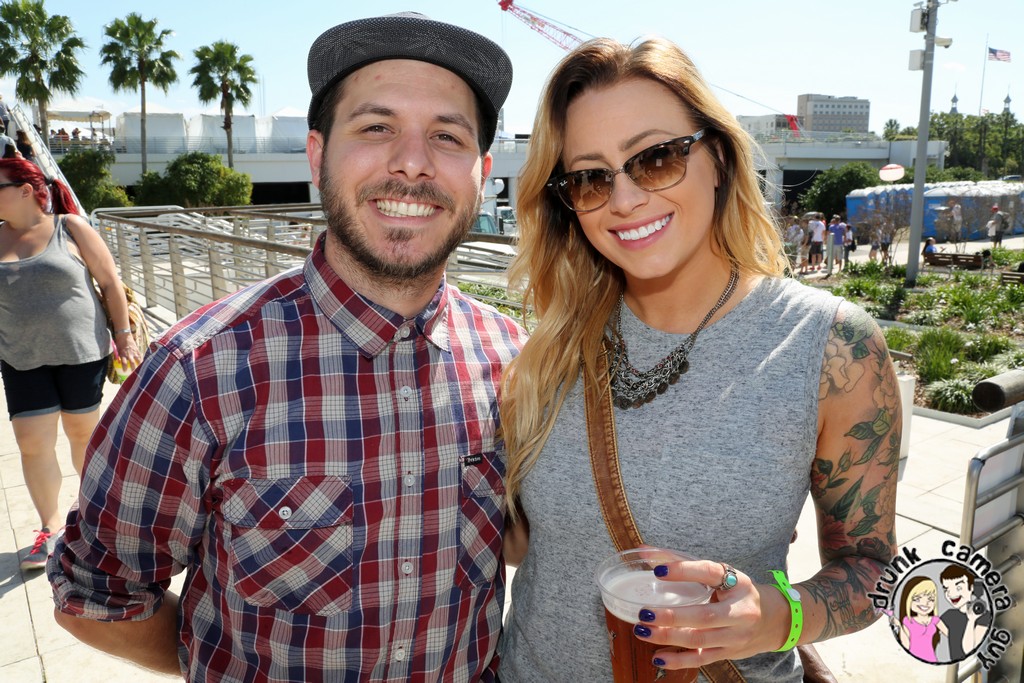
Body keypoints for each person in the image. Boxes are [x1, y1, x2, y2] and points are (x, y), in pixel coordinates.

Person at [48, 12, 525, 681]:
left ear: (482, 172)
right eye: (377, 127)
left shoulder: (513, 359)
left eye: (447, 136)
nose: (413, 161)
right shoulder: (199, 372)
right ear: (316, 155)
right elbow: (96, 597)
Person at [497, 36, 900, 682]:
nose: (624, 199)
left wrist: (775, 615)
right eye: (592, 178)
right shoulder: (553, 348)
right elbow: (531, 542)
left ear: (718, 158)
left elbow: (873, 569)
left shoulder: (830, 348)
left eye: (657, 158)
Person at [0, 157, 141, 570]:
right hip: (21, 357)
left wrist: (124, 335)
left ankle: (93, 519)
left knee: (83, 436)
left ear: (25, 190)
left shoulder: (71, 227)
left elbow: (109, 281)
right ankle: (50, 527)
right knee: (32, 443)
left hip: (81, 353)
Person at [939, 566, 991, 661]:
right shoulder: (949, 615)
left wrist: (971, 620)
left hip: (973, 665)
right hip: (954, 665)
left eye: (958, 588)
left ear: (971, 587)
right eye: (946, 589)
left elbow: (969, 650)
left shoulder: (984, 616)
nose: (951, 594)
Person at [890, 576, 947, 663]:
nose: (925, 603)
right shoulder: (908, 621)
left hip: (931, 659)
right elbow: (906, 645)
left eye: (931, 599)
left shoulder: (935, 620)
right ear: (908, 600)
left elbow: (951, 635)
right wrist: (899, 626)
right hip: (913, 659)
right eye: (917, 599)